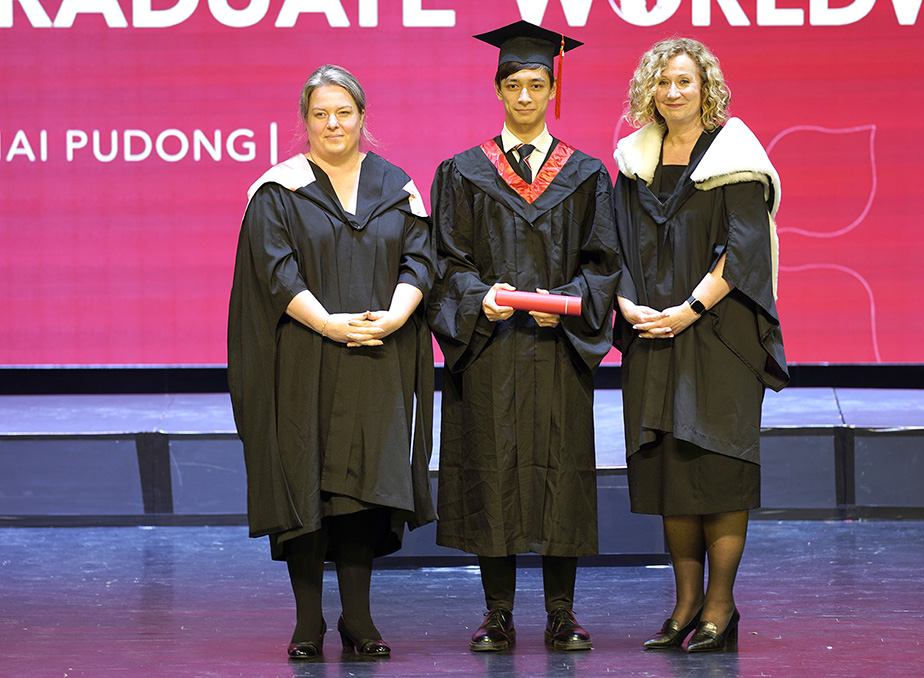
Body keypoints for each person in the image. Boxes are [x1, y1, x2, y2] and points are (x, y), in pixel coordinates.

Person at [227, 64, 436, 659]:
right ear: (305, 120)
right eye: (320, 114)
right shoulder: (278, 191)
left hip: (376, 354)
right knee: (306, 482)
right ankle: (308, 622)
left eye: (344, 112)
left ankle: (359, 619)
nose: (333, 124)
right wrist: (326, 323)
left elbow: (421, 260)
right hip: (304, 357)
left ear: (362, 117)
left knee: (364, 488)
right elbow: (275, 272)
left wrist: (394, 315)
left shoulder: (396, 187)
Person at [427, 20, 620, 653]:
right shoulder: (462, 173)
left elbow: (604, 264)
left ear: (552, 88)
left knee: (560, 470)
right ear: (498, 89)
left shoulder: (587, 175)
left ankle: (562, 614)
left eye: (537, 84)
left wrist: (567, 304)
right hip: (492, 348)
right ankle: (498, 614)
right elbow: (445, 261)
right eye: (514, 85)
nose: (526, 96)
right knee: (494, 469)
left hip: (556, 350)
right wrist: (479, 298)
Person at [612, 38, 789, 653]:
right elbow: (616, 246)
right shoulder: (633, 162)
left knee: (719, 469)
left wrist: (687, 311)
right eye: (662, 82)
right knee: (673, 471)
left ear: (706, 87)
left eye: (685, 80)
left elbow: (743, 251)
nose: (673, 92)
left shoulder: (736, 157)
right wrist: (628, 304)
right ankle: (685, 604)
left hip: (718, 335)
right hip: (653, 334)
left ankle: (720, 605)